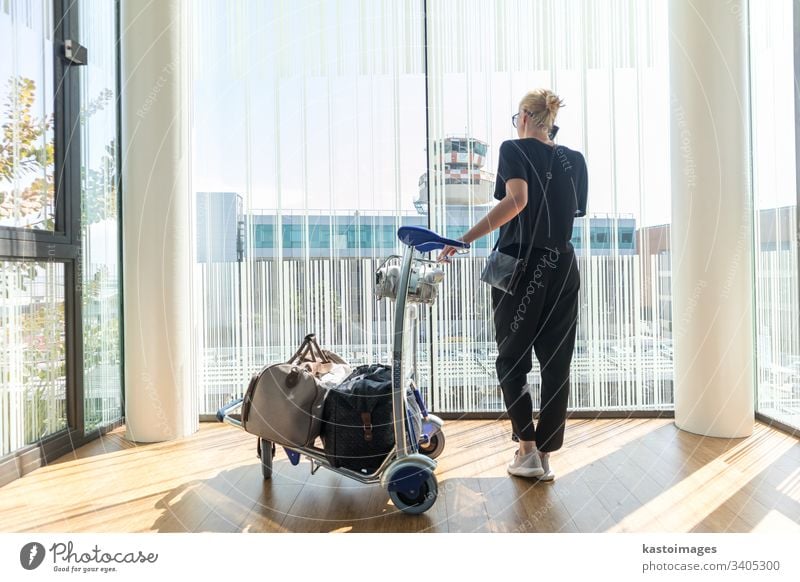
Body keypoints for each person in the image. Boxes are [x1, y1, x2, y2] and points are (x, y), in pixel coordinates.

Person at [438, 89, 587, 480]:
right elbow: (567, 213)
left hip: (518, 264)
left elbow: (517, 201)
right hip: (564, 265)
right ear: (550, 120)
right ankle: (547, 456)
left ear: (524, 116)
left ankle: (527, 450)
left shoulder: (514, 148)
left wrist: (463, 239)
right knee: (556, 363)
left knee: (511, 359)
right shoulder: (575, 159)